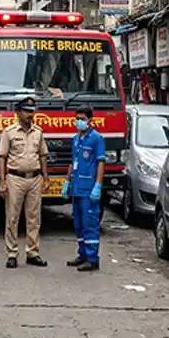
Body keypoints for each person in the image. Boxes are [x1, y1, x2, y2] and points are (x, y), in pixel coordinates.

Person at [0, 96, 49, 269]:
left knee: (34, 218)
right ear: (18, 113)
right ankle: (12, 254)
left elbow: (42, 156)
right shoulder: (9, 132)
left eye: (32, 111)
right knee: (12, 218)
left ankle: (33, 252)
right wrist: (2, 181)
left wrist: (46, 178)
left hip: (34, 178)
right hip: (15, 178)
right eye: (26, 111)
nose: (30, 114)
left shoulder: (38, 132)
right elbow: (2, 157)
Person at [63, 104, 106, 272]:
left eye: (82, 119)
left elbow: (100, 162)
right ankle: (82, 254)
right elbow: (72, 162)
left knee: (90, 223)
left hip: (89, 189)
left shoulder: (96, 139)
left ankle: (93, 258)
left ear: (90, 120)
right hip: (77, 188)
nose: (79, 122)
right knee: (78, 223)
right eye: (77, 119)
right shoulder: (75, 139)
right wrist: (67, 182)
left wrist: (98, 185)